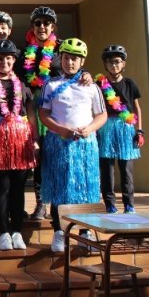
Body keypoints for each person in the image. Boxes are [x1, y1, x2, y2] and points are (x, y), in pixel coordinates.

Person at [38, 38, 107, 252]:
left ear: (82, 61)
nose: (70, 62)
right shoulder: (51, 84)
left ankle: (85, 233)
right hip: (58, 143)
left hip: (85, 145)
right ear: (60, 59)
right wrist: (60, 129)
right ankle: (59, 232)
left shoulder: (91, 86)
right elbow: (43, 113)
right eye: (66, 58)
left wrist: (89, 128)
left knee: (86, 188)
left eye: (75, 59)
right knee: (60, 187)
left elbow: (102, 115)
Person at [0, 40, 38, 251]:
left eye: (8, 58)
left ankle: (17, 231)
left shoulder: (22, 85)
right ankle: (3, 231)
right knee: (1, 187)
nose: (4, 62)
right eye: (0, 58)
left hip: (21, 141)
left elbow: (31, 114)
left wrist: (35, 140)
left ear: (14, 60)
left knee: (18, 188)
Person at [16, 6, 62, 221]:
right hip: (34, 110)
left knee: (57, 159)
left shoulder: (62, 49)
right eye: (38, 23)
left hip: (58, 110)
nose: (42, 26)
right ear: (32, 27)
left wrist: (86, 75)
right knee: (39, 159)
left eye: (46, 23)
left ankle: (59, 206)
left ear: (53, 27)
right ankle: (41, 204)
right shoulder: (25, 53)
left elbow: (75, 71)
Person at [95, 45, 144, 214]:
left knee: (126, 170)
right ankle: (110, 205)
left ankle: (129, 205)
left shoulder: (130, 83)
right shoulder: (99, 84)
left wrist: (139, 131)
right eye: (110, 62)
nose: (113, 65)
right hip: (106, 128)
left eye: (117, 61)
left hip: (126, 128)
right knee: (107, 170)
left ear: (123, 63)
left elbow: (137, 108)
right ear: (105, 64)